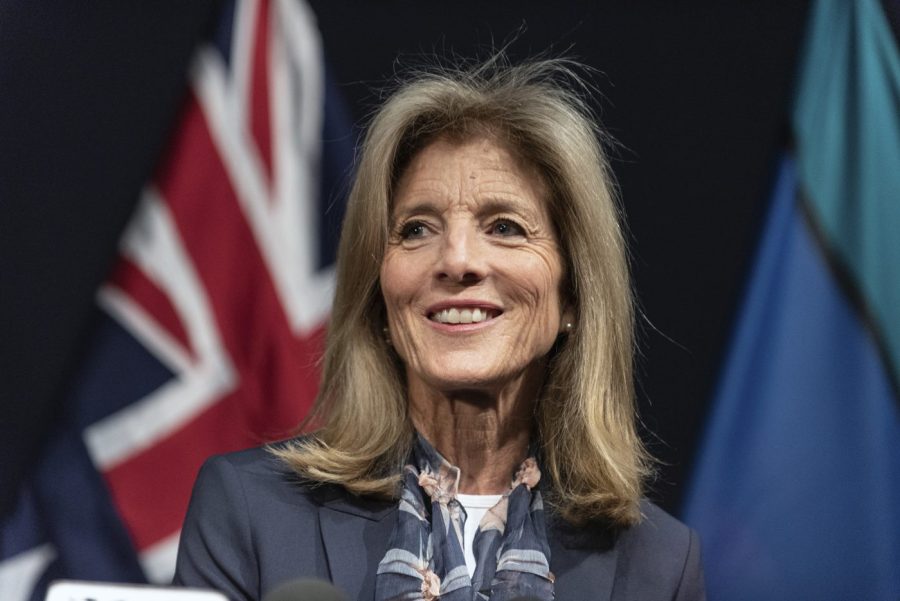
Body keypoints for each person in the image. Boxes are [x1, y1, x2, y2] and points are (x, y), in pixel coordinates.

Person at [173, 56, 705, 601]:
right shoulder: (248, 510)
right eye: (418, 229)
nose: (456, 260)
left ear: (572, 294)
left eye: (504, 227)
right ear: (379, 295)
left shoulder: (657, 564)